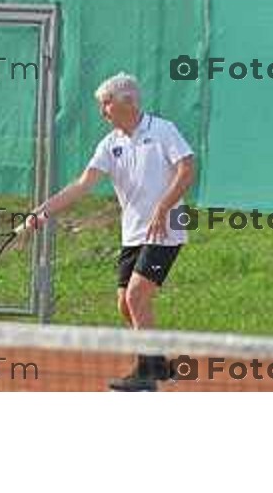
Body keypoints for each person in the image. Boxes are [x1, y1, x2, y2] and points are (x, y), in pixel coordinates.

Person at [19, 72, 195, 391]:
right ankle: (158, 363)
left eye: (106, 104)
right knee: (125, 305)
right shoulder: (110, 144)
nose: (102, 112)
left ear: (127, 102)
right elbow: (82, 184)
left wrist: (164, 206)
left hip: (165, 229)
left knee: (136, 296)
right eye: (101, 105)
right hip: (132, 233)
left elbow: (187, 168)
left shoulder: (162, 130)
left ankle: (146, 374)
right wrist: (41, 212)